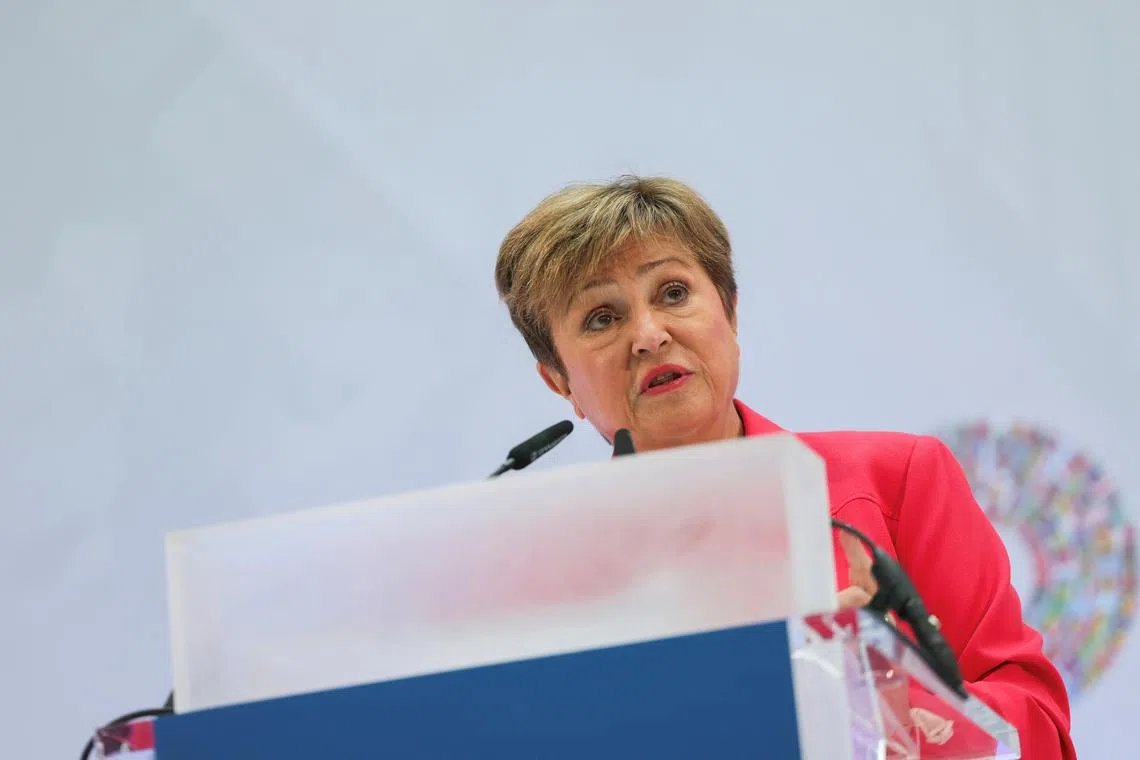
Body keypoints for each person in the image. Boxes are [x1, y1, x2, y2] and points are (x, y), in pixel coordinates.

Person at [494, 175, 1076, 758]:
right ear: (559, 381)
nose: (649, 335)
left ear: (730, 313)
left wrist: (891, 699)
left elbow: (1040, 729)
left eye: (673, 292)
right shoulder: (547, 576)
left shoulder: (894, 481)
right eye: (602, 317)